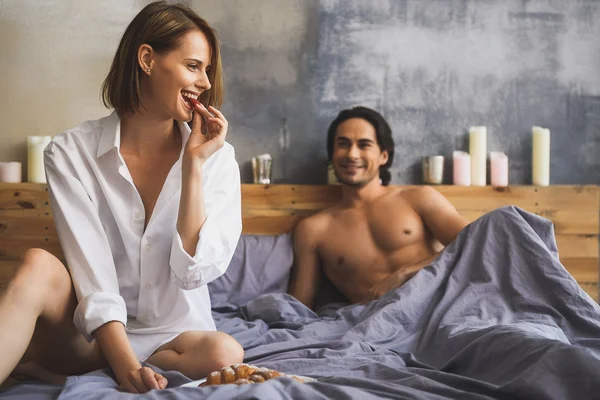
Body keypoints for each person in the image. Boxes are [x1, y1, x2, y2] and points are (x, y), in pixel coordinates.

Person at [0, 1, 243, 393]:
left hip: (174, 339)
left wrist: (193, 166)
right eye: (193, 66)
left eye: (208, 71)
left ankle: (56, 372)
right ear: (147, 58)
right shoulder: (69, 153)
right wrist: (127, 367)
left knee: (225, 352)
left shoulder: (218, 160)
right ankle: (102, 364)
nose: (205, 83)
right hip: (90, 336)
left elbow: (192, 273)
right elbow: (91, 271)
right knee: (37, 264)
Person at [288, 106, 469, 309]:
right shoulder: (313, 230)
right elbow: (298, 307)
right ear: (332, 155)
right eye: (343, 144)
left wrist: (404, 274)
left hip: (438, 305)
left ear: (383, 155)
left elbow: (474, 243)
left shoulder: (418, 199)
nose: (352, 154)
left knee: (502, 218)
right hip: (378, 322)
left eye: (364, 145)